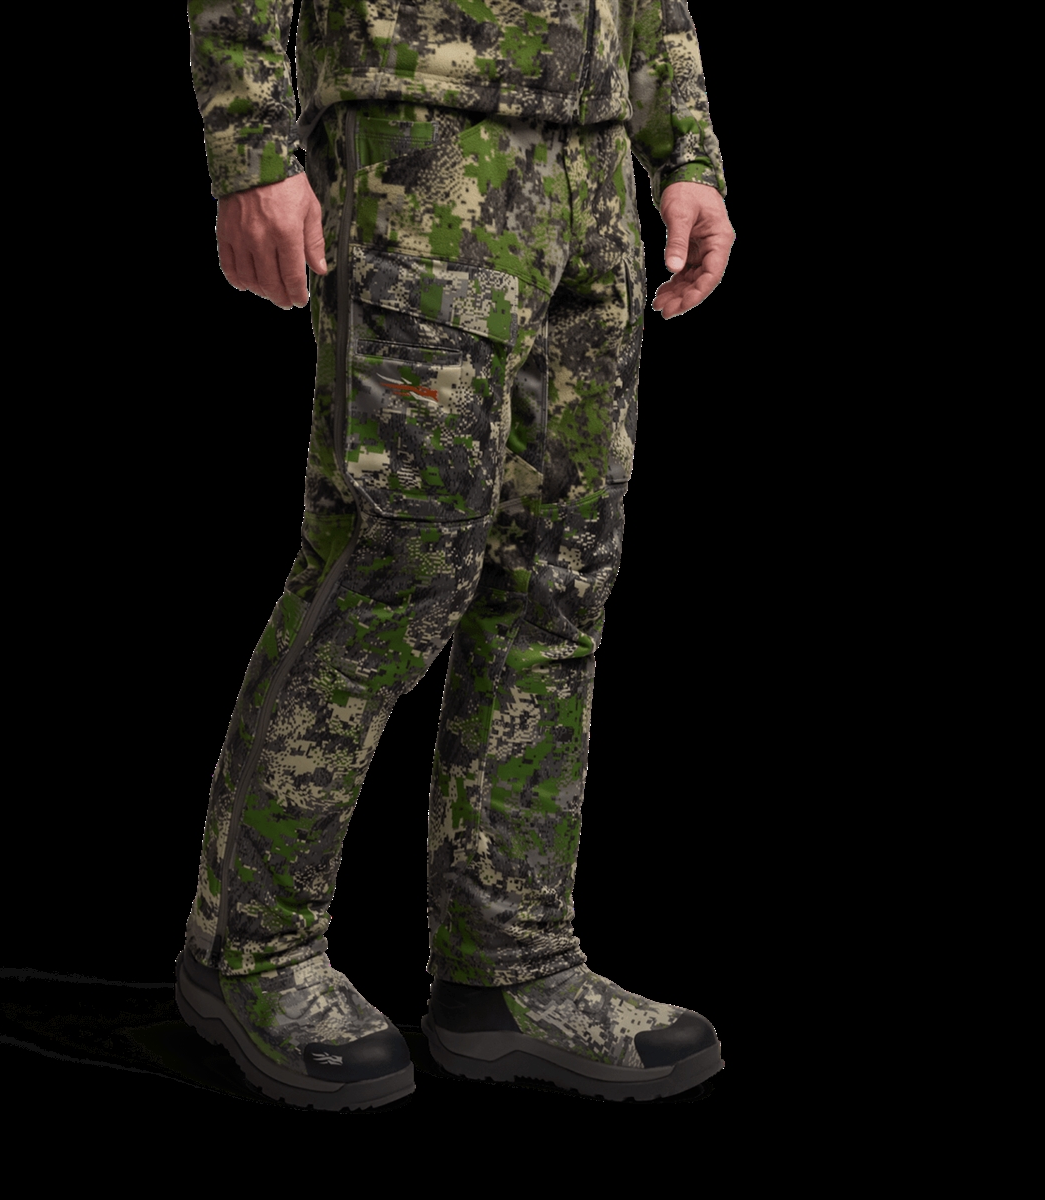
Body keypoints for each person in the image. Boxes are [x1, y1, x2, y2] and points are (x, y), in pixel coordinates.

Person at [176, 0, 735, 1111]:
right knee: (392, 565)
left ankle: (510, 965)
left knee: (558, 580)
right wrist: (250, 146)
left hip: (591, 165)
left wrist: (684, 150)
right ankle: (248, 948)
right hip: (418, 141)